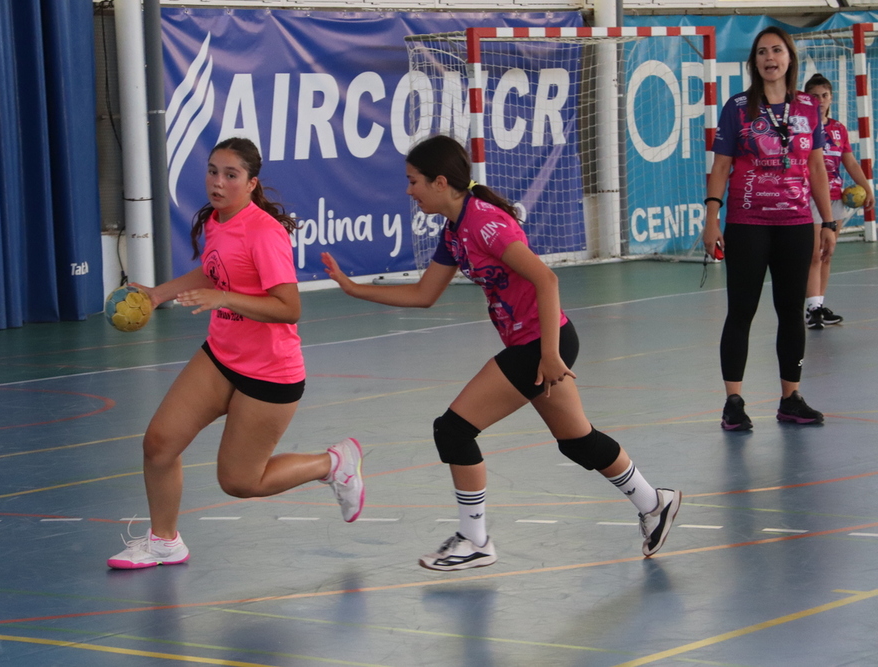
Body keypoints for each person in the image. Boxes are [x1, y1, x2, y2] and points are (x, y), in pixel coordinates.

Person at [321, 134, 681, 571]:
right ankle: (654, 502)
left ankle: (475, 540)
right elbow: (424, 294)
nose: (408, 190)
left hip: (541, 343)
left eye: (413, 181)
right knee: (578, 443)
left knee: (452, 431)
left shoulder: (486, 223)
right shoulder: (454, 231)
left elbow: (546, 280)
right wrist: (352, 289)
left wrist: (549, 355)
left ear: (439, 182)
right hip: (535, 342)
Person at [108, 137, 364, 569]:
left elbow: (289, 308)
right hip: (221, 356)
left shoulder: (265, 232)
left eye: (230, 175)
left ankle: (333, 463)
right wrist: (157, 295)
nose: (218, 182)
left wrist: (225, 299)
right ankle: (164, 541)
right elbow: (211, 268)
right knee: (159, 443)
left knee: (240, 481)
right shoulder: (215, 220)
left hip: (270, 375)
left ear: (251, 183)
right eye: (212, 171)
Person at [702, 27, 836, 431]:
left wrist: (826, 221)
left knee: (791, 312)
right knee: (741, 311)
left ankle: (789, 398)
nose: (769, 58)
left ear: (790, 58)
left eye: (777, 50)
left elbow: (815, 166)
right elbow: (721, 166)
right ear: (754, 62)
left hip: (795, 225)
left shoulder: (809, 107)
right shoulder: (738, 107)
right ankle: (733, 402)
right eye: (762, 52)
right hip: (747, 223)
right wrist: (712, 218)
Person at [803, 73, 875, 329]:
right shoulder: (802, 127)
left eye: (824, 96)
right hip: (810, 197)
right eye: (814, 96)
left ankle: (819, 305)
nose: (820, 101)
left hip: (836, 199)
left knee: (827, 254)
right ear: (805, 97)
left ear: (831, 98)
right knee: (813, 253)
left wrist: (868, 187)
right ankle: (812, 309)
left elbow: (850, 162)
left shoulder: (838, 129)